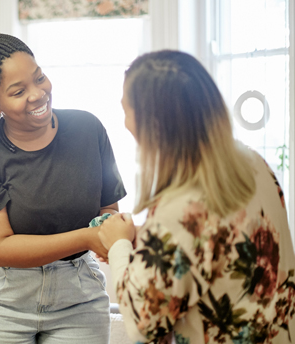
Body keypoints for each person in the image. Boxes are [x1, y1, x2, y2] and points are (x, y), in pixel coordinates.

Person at [0, 11, 126, 343]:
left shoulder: (88, 129)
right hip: (1, 301)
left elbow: (106, 210)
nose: (38, 94)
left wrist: (109, 229)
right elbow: (0, 247)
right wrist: (86, 238)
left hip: (79, 295)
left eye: (39, 78)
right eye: (18, 91)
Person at [98, 50, 295, 343]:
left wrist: (119, 245)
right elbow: (216, 239)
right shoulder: (253, 163)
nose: (125, 122)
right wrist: (148, 239)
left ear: (153, 125)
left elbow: (143, 322)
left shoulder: (180, 204)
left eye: (126, 110)